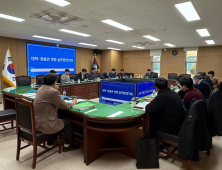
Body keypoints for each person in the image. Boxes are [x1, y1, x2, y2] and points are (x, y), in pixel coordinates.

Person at [34, 74, 79, 152]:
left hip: (37, 122)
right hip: (47, 124)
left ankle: (51, 139)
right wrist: (73, 102)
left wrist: (54, 89)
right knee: (69, 123)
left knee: (61, 115)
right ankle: (67, 145)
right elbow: (64, 105)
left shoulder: (40, 89)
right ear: (55, 82)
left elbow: (53, 100)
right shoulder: (53, 92)